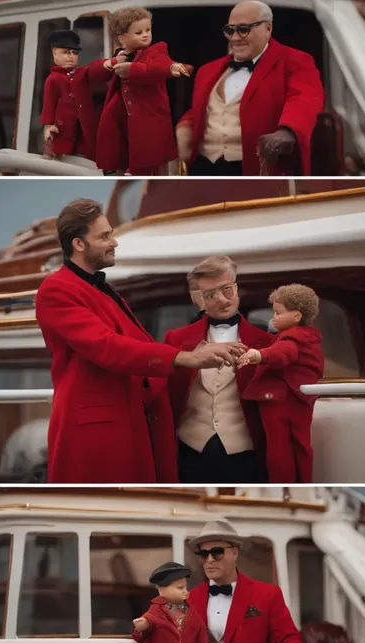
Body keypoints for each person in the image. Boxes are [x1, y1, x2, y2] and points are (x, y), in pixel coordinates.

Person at [35, 200, 245, 484]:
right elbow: (105, 346)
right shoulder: (55, 289)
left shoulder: (99, 287)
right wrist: (184, 357)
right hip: (96, 432)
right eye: (104, 236)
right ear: (79, 244)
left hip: (125, 421)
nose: (114, 242)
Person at [94, 518, 303, 643]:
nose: (209, 560)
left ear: (235, 552)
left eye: (217, 552)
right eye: (204, 554)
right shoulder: (187, 599)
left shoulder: (267, 595)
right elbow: (156, 635)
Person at [176, 0, 324, 176]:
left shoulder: (295, 61)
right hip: (203, 168)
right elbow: (204, 110)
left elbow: (304, 99)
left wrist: (288, 131)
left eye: (244, 29)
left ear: (267, 29)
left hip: (255, 169)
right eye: (230, 30)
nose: (235, 38)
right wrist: (184, 128)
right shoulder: (207, 71)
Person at [163, 256, 273, 483]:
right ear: (199, 299)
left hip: (245, 452)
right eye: (211, 295)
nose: (221, 300)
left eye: (226, 290)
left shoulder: (267, 342)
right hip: (189, 450)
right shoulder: (177, 339)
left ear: (236, 288)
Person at [238, 284, 324, 483]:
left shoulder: (291, 338)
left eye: (278, 312)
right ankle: (302, 480)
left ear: (296, 316)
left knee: (278, 449)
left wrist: (259, 354)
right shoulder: (309, 338)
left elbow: (283, 353)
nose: (273, 317)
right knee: (299, 446)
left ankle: (281, 480)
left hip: (280, 401)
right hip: (300, 399)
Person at [96, 7, 190, 176]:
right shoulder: (119, 56)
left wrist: (171, 67)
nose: (145, 35)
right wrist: (112, 63)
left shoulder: (157, 51)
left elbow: (160, 66)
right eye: (139, 32)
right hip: (124, 118)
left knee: (155, 161)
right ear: (123, 39)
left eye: (148, 30)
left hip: (150, 117)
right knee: (122, 155)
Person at [132, 562, 219, 643]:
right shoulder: (156, 611)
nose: (185, 591)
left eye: (185, 587)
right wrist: (142, 626)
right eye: (180, 588)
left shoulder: (193, 614)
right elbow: (147, 624)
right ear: (162, 590)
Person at [40, 30, 108, 161]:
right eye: (66, 52)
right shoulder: (53, 79)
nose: (71, 56)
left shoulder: (81, 74)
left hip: (84, 128)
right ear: (55, 53)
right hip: (62, 129)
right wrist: (48, 126)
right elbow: (49, 105)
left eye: (74, 53)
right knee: (62, 157)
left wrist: (109, 63)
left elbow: (93, 72)